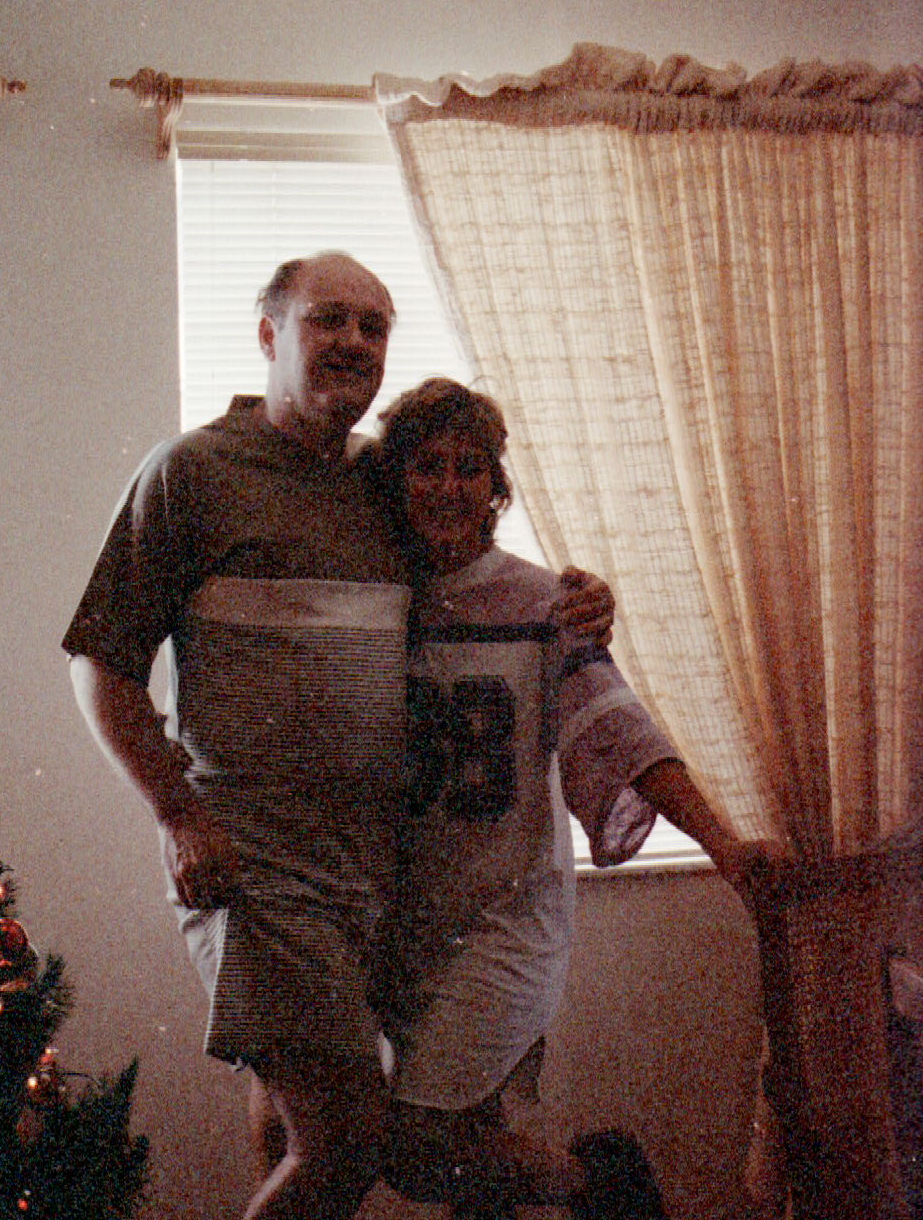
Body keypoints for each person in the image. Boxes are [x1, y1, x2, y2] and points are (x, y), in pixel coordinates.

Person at [62, 254, 615, 1220]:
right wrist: (178, 815)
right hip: (254, 865)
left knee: (299, 1128)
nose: (354, 341)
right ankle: (603, 1184)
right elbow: (100, 665)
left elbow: (470, 564)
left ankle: (595, 1180)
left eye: (374, 325)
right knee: (349, 1136)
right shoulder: (191, 473)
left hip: (379, 876)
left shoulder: (380, 484)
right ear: (269, 334)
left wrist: (582, 597)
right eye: (329, 319)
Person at [361, 378, 764, 1220]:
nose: (448, 486)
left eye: (470, 468)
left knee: (417, 1141)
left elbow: (619, 733)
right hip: (405, 921)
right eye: (427, 466)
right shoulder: (375, 600)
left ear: (497, 487)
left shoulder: (543, 605)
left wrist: (723, 846)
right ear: (395, 480)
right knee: (473, 1139)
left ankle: (603, 1186)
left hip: (508, 918)